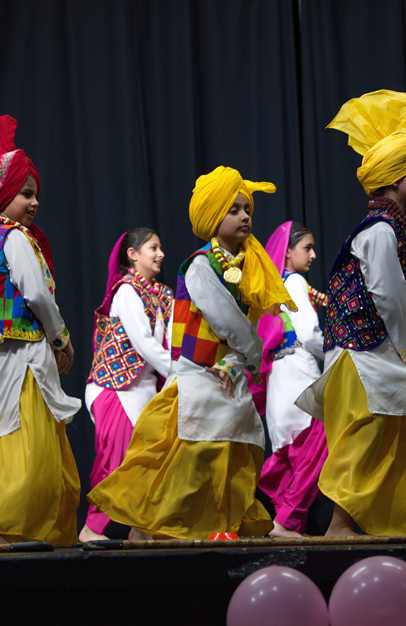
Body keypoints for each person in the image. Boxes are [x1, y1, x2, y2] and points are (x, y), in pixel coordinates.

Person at [88, 166, 295, 539]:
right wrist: (251, 352)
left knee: (226, 454)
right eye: (234, 210)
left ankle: (219, 526)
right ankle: (156, 528)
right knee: (189, 458)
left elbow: (241, 324)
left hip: (225, 374)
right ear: (213, 216)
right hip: (198, 375)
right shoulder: (201, 264)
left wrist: (239, 360)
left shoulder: (245, 264)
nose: (245, 216)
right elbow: (226, 320)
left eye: (247, 210)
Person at [298, 89, 406, 537]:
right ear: (392, 178)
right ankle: (340, 524)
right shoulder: (378, 233)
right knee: (367, 433)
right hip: (361, 353)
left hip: (384, 351)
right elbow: (389, 297)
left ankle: (400, 517)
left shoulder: (405, 233)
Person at [0, 115, 81, 546]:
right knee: (26, 435)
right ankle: (6, 530)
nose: (34, 203)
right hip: (25, 351)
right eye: (25, 194)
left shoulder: (0, 236)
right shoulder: (12, 236)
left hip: (16, 349)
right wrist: (61, 338)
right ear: (2, 196)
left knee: (23, 432)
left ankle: (23, 530)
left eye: (35, 195)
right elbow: (36, 294)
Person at [81, 228, 173, 543]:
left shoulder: (163, 296)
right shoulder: (126, 291)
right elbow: (144, 343)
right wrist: (178, 373)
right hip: (115, 388)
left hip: (146, 391)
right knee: (115, 461)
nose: (160, 254)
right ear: (132, 255)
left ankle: (141, 530)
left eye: (160, 248)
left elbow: (173, 341)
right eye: (153, 248)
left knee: (151, 464)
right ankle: (92, 529)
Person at [255, 221, 328, 537]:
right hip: (300, 374)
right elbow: (309, 333)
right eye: (307, 248)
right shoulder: (295, 281)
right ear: (287, 252)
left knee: (290, 458)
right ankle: (286, 521)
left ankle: (285, 526)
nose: (313, 255)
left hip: (277, 383)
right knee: (316, 450)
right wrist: (336, 354)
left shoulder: (273, 288)